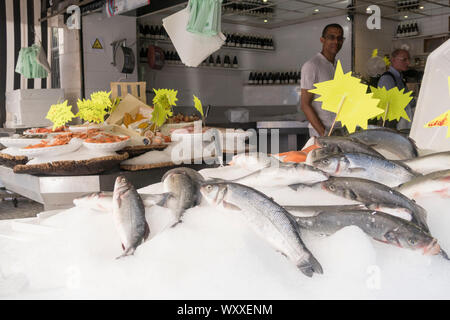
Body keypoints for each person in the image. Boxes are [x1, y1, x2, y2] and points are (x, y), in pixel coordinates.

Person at [300, 23, 345, 137]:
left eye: (339, 38)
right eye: (331, 37)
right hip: (322, 133)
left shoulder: (336, 65)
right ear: (322, 40)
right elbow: (305, 104)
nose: (336, 42)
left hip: (339, 129)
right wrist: (323, 133)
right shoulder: (312, 65)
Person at [377, 49, 415, 131]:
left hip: (398, 122)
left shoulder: (399, 77)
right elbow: (389, 104)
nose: (408, 63)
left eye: (408, 59)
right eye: (404, 59)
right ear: (393, 60)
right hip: (391, 124)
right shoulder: (387, 78)